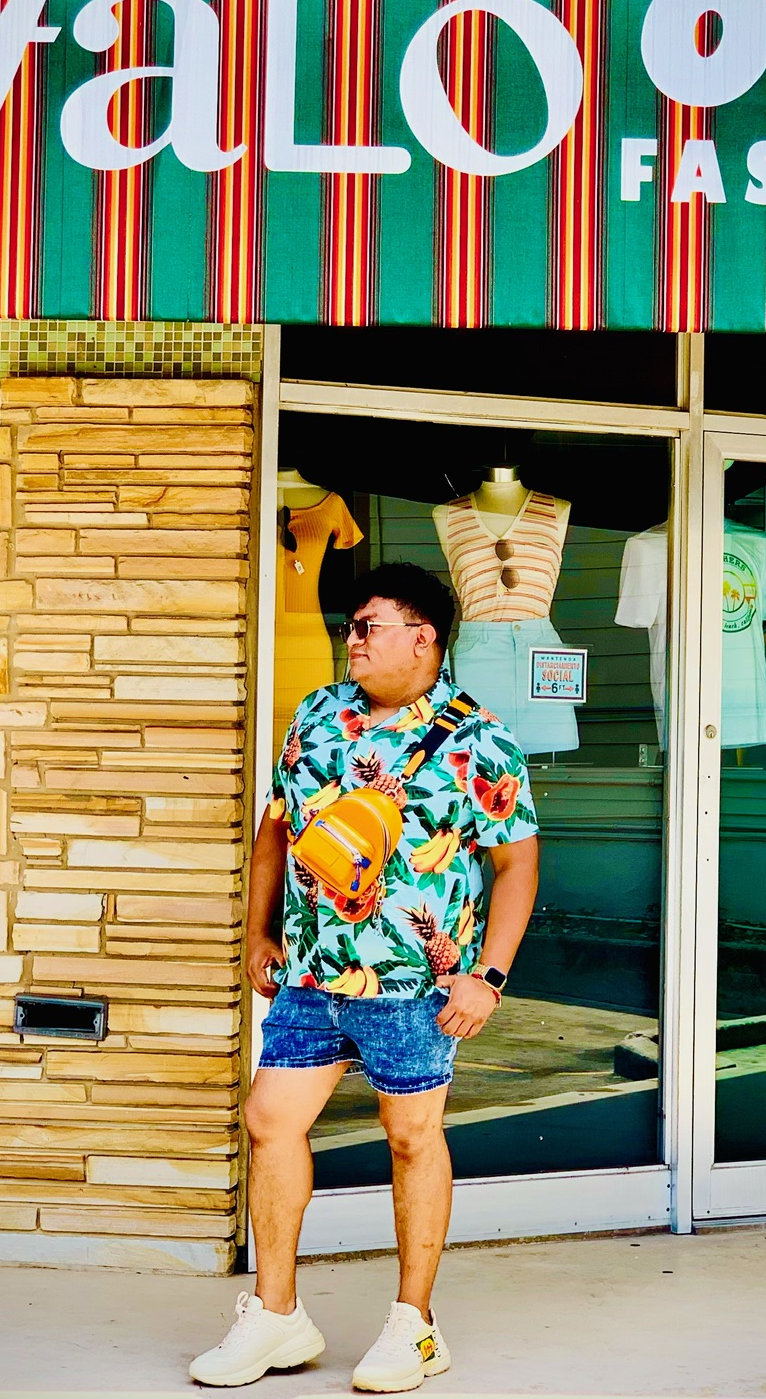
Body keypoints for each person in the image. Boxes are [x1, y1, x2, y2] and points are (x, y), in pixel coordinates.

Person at [190, 562, 541, 1393]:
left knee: (411, 1137)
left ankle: (413, 1326)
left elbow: (517, 861)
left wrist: (487, 975)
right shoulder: (317, 715)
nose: (350, 639)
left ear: (423, 637)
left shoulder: (477, 737)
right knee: (269, 1121)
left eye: (367, 625)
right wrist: (256, 929)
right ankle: (276, 1316)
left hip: (417, 981)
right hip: (311, 976)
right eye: (350, 626)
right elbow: (277, 829)